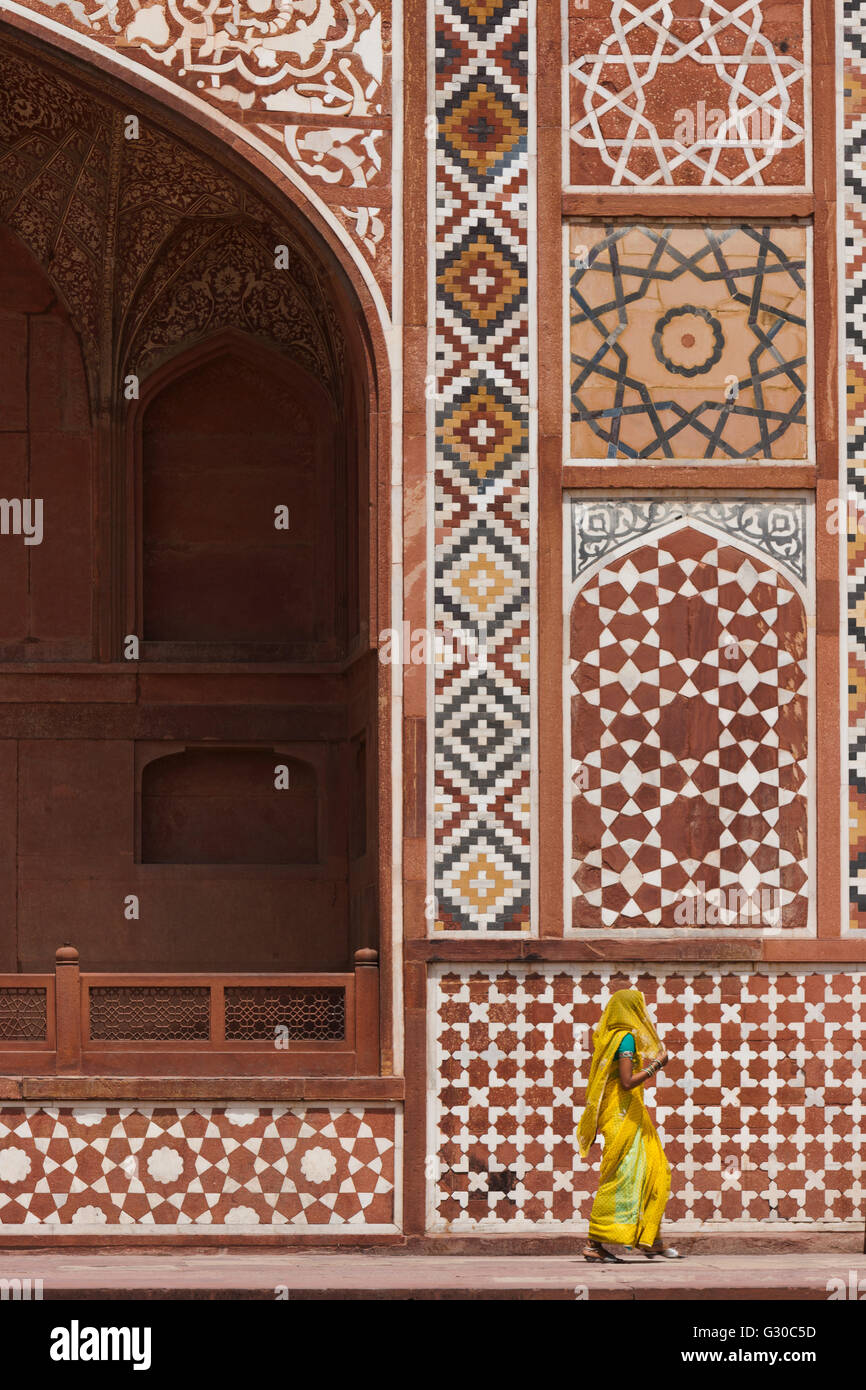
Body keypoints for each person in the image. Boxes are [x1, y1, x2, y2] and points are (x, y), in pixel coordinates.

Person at [577, 987, 682, 1261]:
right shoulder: (624, 1039)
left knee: (655, 1170)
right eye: (639, 1007)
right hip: (622, 1117)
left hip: (629, 1115)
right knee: (623, 1177)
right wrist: (657, 1064)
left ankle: (651, 1240)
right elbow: (626, 1082)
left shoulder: (610, 1037)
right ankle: (594, 1242)